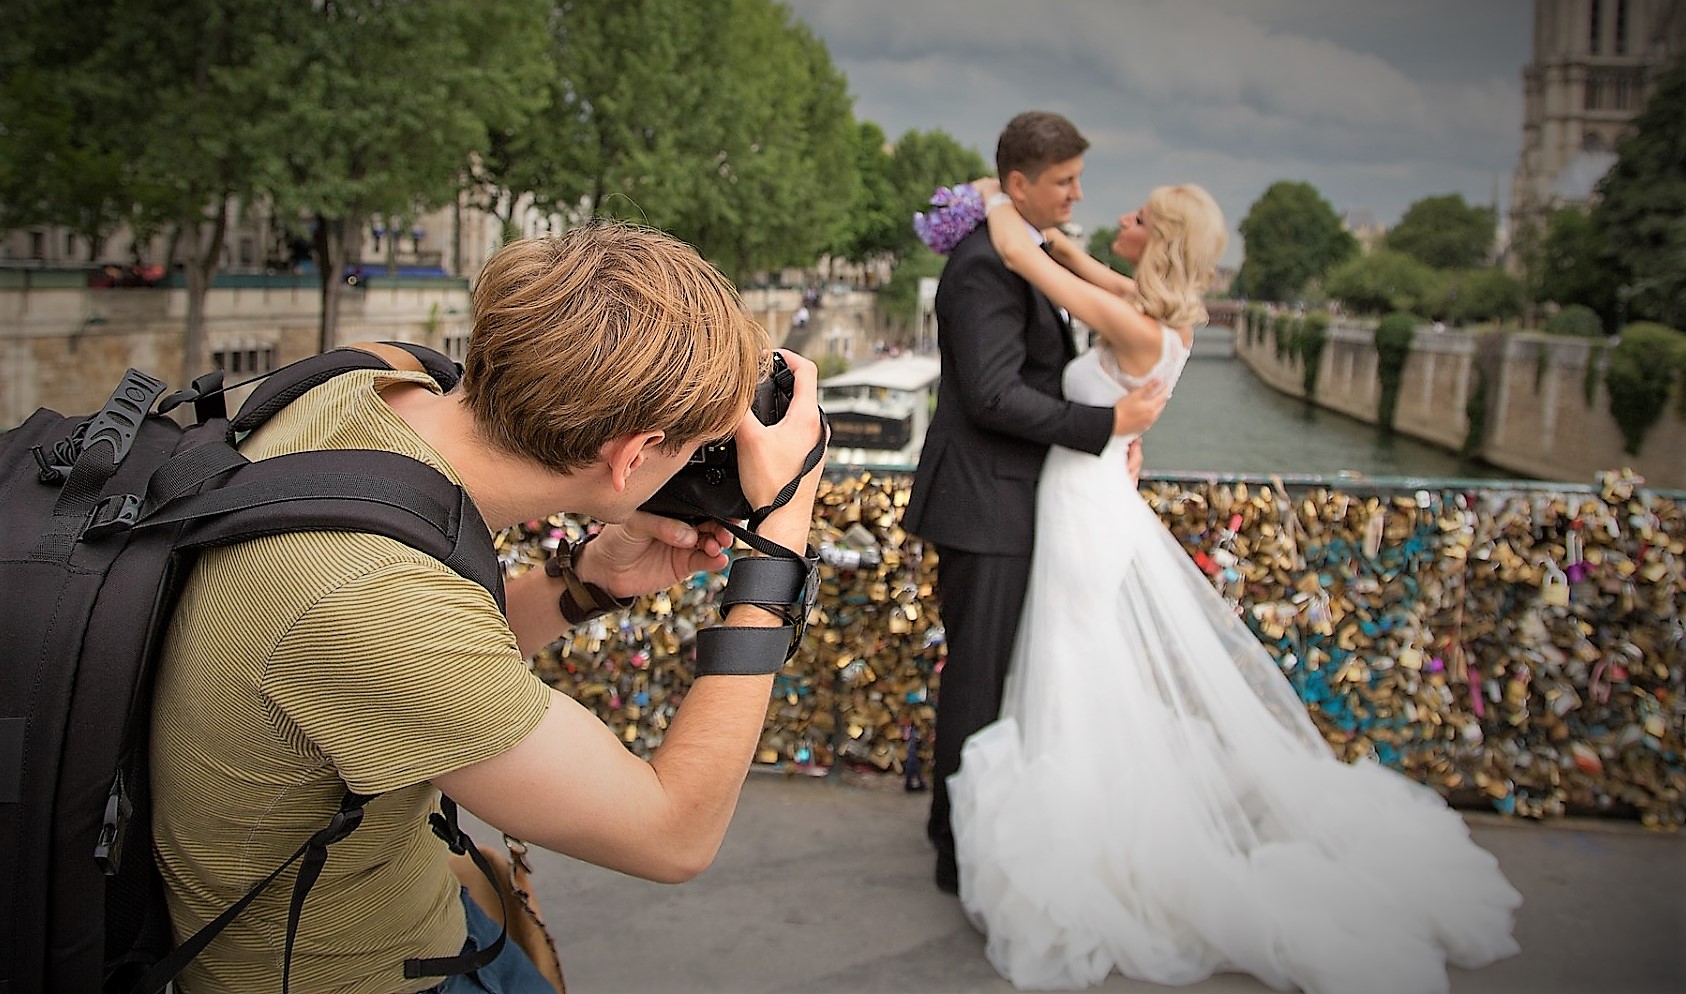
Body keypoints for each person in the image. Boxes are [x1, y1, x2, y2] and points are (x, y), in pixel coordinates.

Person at [149, 221, 827, 994]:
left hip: (399, 896)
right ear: (633, 456)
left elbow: (406, 668)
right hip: (355, 974)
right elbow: (674, 835)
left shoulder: (363, 385)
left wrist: (587, 582)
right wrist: (781, 544)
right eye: (692, 448)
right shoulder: (368, 601)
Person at [944, 179, 1522, 992]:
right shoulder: (1160, 314)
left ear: (1162, 240)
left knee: (1072, 657)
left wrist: (987, 194)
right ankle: (1095, 811)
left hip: (1084, 510)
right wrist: (1058, 239)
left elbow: (1017, 253)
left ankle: (1086, 827)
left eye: (1139, 218)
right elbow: (1066, 256)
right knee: (1079, 656)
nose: (1122, 220)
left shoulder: (1136, 323)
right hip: (1095, 498)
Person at [902, 110, 1170, 896]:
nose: (1078, 194)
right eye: (1064, 181)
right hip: (985, 503)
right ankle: (958, 848)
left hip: (1011, 497)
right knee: (977, 681)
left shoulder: (1020, 250)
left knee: (994, 677)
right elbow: (990, 395)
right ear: (1020, 184)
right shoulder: (987, 265)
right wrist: (1107, 423)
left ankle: (973, 827)